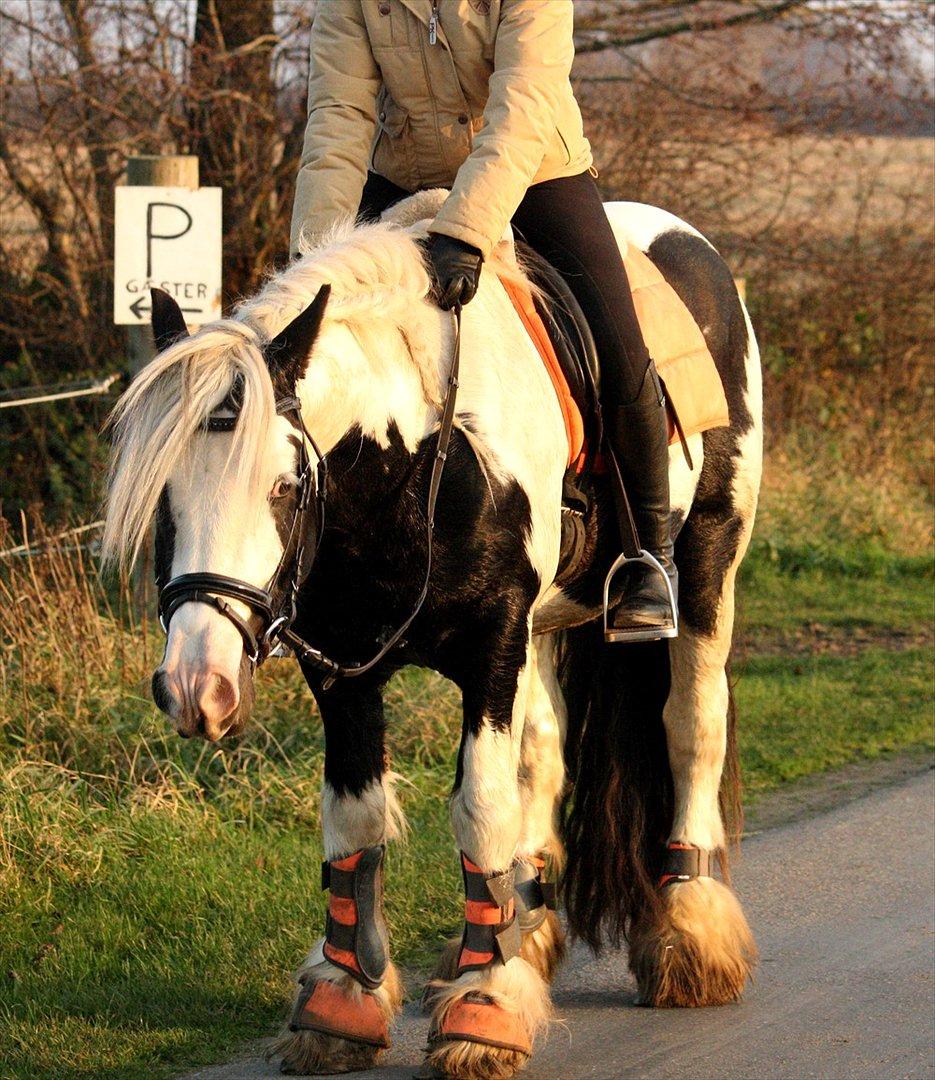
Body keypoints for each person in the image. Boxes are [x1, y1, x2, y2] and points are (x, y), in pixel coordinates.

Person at [291, 0, 676, 641]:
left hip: (535, 171)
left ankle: (648, 557)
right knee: (322, 348)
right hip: (401, 173)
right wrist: (315, 260)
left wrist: (466, 229)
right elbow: (339, 117)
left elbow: (522, 106)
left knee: (618, 345)